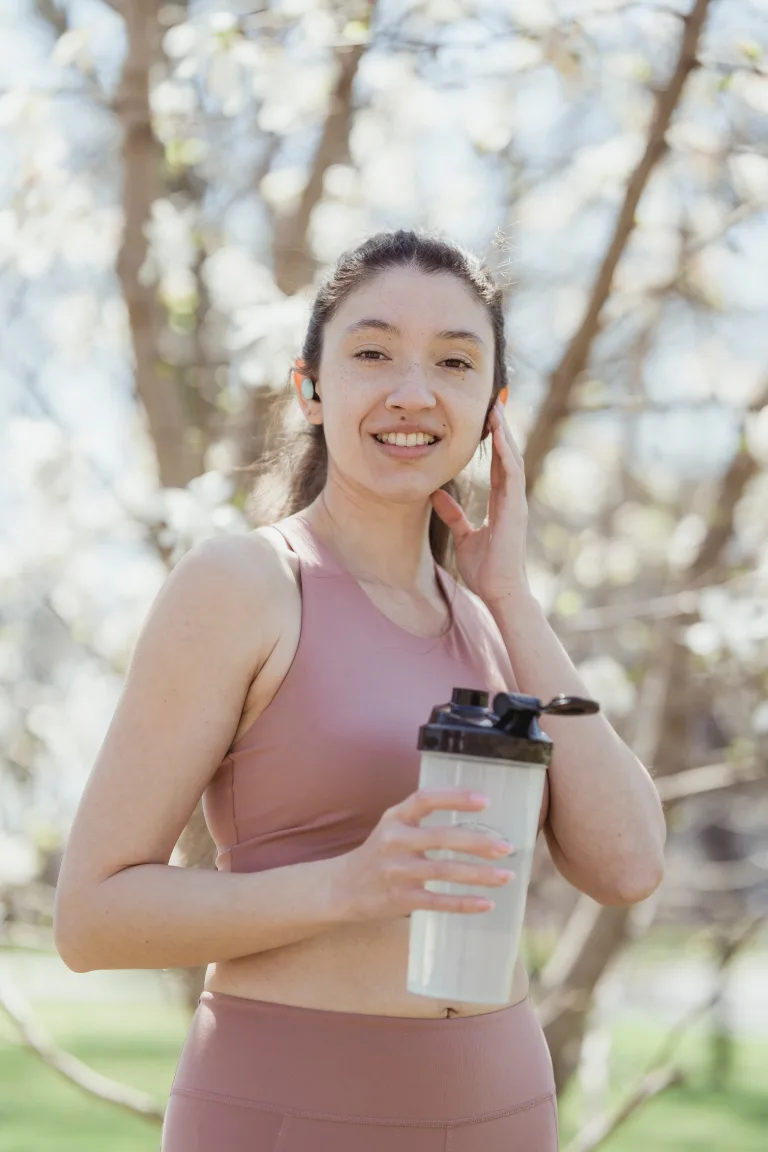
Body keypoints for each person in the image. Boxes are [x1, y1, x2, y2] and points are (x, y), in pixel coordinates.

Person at [53, 229, 666, 1150]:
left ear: (493, 409)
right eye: (373, 352)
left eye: (455, 363)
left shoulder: (495, 618)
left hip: (505, 1108)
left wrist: (509, 593)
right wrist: (352, 884)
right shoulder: (247, 584)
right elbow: (91, 919)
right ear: (310, 388)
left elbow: (627, 867)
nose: (413, 392)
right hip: (293, 1108)